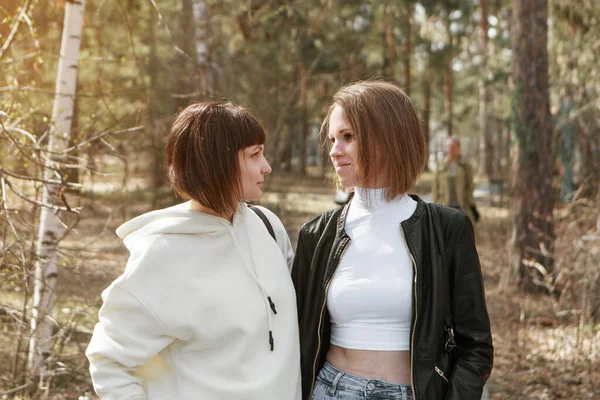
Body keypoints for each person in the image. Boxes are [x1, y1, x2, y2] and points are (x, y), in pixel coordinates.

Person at [291, 81, 493, 400]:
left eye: (348, 137)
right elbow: (296, 339)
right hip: (331, 391)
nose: (334, 150)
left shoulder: (447, 229)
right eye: (331, 139)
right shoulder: (316, 235)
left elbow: (475, 346)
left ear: (386, 139)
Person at [86, 101, 302, 399]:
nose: (267, 166)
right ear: (218, 163)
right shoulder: (162, 252)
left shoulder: (268, 226)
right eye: (254, 154)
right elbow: (109, 360)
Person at [432, 137, 478, 223]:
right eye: (448, 147)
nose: (451, 149)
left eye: (453, 147)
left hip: (461, 206)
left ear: (459, 149)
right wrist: (436, 203)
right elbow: (435, 187)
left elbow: (470, 186)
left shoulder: (465, 166)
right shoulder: (440, 166)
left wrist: (469, 201)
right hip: (444, 206)